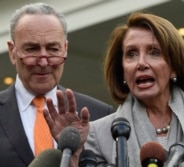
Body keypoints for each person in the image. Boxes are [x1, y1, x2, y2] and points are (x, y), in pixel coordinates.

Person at [46, 12, 184, 166]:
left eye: (154, 52)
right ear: (123, 71)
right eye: (131, 54)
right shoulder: (98, 134)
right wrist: (73, 154)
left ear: (174, 66)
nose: (141, 63)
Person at [0, 3, 114, 167]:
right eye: (32, 49)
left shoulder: (100, 115)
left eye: (53, 49)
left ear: (65, 49)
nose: (44, 61)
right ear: (12, 52)